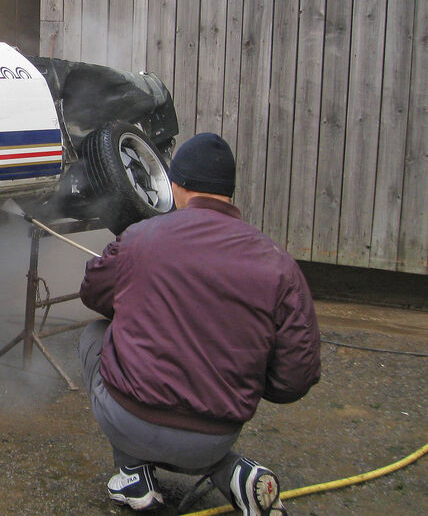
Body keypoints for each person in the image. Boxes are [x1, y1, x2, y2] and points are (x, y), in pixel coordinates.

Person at [78, 133, 321, 515]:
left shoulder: (139, 239)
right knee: (192, 437)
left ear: (176, 185)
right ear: (229, 192)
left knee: (94, 335)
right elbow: (296, 376)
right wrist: (246, 384)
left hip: (130, 420)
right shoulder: (277, 263)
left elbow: (93, 295)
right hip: (214, 436)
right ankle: (236, 477)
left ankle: (132, 474)